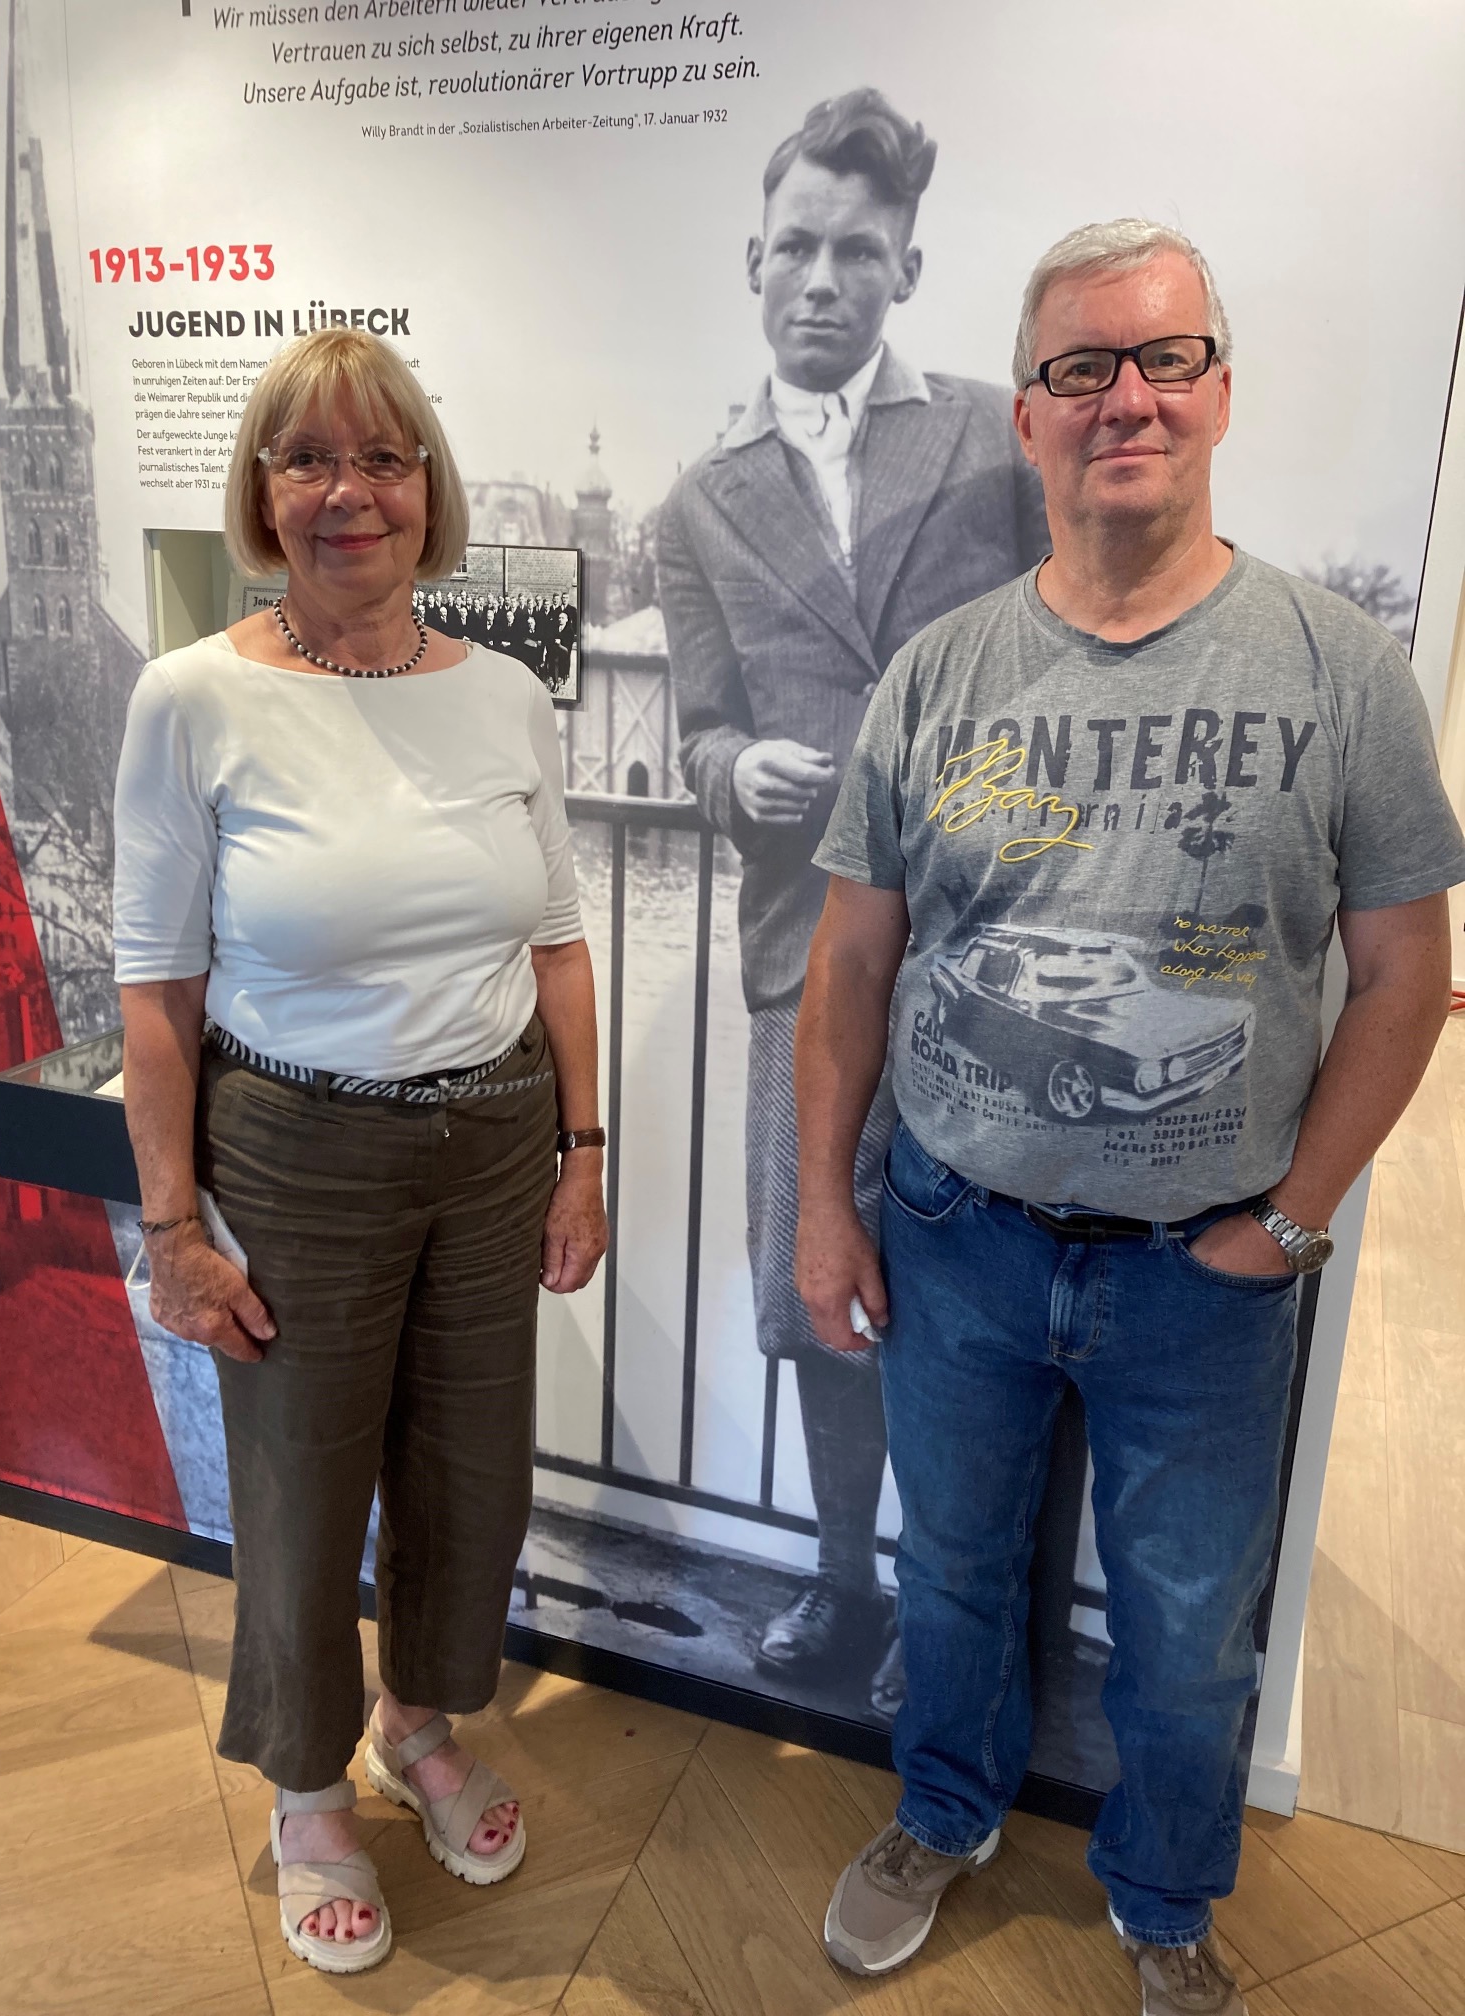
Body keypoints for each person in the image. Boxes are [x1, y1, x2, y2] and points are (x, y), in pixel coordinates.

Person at [796, 218, 1465, 2010]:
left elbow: (1407, 977)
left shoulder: (1340, 667)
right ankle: (943, 1814)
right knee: (950, 1574)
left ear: (1222, 392)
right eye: (1081, 368)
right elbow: (853, 967)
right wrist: (823, 1201)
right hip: (956, 1232)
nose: (1128, 398)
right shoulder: (937, 675)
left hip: (1206, 1274)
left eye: (1165, 357)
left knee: (1184, 1640)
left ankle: (1166, 1906)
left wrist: (1297, 1219)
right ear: (1028, 419)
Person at [112, 327, 608, 1976]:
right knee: (303, 1483)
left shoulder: (506, 696)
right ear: (262, 491)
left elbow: (554, 945)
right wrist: (173, 1228)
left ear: (428, 490)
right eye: (309, 459)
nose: (349, 494)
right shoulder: (193, 697)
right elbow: (159, 991)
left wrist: (583, 1147)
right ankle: (310, 1788)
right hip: (294, 1153)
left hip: (491, 1143)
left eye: (384, 460)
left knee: (475, 1465)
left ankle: (422, 1721)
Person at [657, 86, 1049, 1715]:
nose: (825, 277)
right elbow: (696, 722)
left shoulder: (987, 438)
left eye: (860, 252)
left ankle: (972, 1618)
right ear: (756, 259)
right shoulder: (695, 499)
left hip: (990, 946)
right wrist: (730, 763)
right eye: (799, 246)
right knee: (826, 1297)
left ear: (905, 270)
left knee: (979, 1297)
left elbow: (1062, 643)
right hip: (799, 955)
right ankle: (839, 1590)